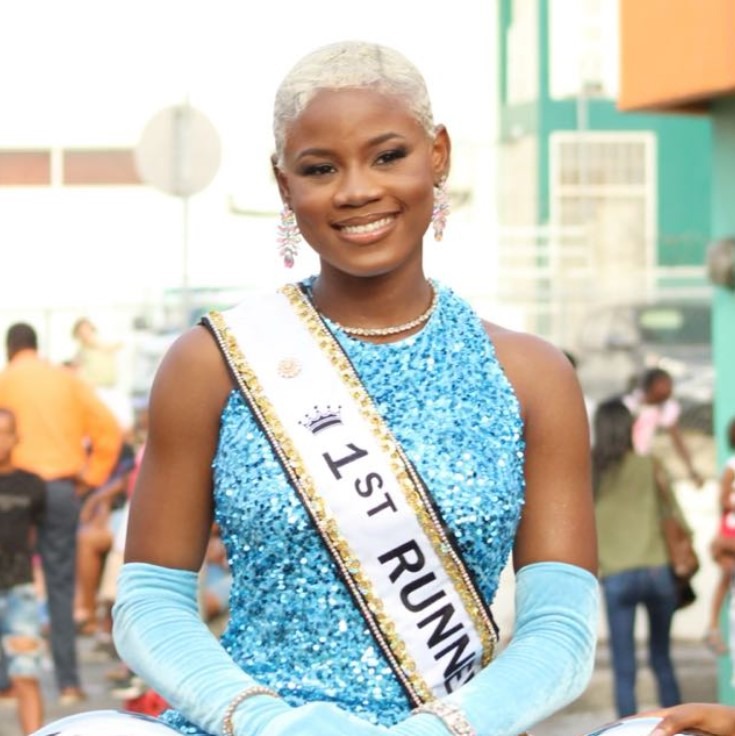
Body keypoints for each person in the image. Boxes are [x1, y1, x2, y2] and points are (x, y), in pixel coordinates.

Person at [111, 40, 599, 736]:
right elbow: (150, 606)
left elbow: (561, 632)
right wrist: (269, 724)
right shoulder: (212, 363)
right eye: (320, 168)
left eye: (387, 156)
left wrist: (440, 730)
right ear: (284, 185)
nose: (356, 190)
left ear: (438, 155)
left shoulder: (533, 376)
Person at [0, 323, 123, 704]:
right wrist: (90, 478)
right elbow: (110, 430)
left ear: (10, 349)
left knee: (6, 579)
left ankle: (6, 684)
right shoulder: (66, 381)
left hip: (12, 490)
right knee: (60, 583)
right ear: (36, 347)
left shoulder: (6, 380)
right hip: (59, 488)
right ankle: (69, 682)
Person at [593, 397, 685, 718]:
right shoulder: (649, 466)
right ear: (630, 428)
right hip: (657, 571)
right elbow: (674, 515)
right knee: (662, 657)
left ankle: (628, 728)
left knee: (624, 665)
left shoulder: (591, 474)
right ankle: (678, 727)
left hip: (616, 575)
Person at [0, 407, 46, 734]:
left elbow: (40, 538)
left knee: (25, 673)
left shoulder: (32, 485)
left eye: (5, 433)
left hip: (20, 589)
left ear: (16, 437)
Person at [623, 368, 704, 487]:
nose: (669, 389)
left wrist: (691, 470)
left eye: (670, 385)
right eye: (664, 385)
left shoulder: (666, 408)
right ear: (650, 386)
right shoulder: (631, 404)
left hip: (646, 462)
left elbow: (677, 441)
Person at [704, 417, 735, 654]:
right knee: (727, 574)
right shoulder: (732, 466)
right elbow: (723, 498)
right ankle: (713, 625)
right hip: (730, 527)